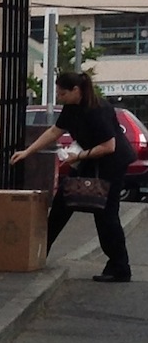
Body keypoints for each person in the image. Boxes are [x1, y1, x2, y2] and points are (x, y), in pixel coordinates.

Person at [11, 70, 134, 282]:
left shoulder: (98, 110)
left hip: (110, 165)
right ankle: (37, 254)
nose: (60, 98)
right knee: (62, 205)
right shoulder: (71, 107)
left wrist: (78, 156)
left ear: (76, 90)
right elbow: (54, 131)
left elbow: (109, 146)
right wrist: (28, 151)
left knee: (106, 215)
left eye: (62, 93)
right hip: (89, 160)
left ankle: (120, 267)